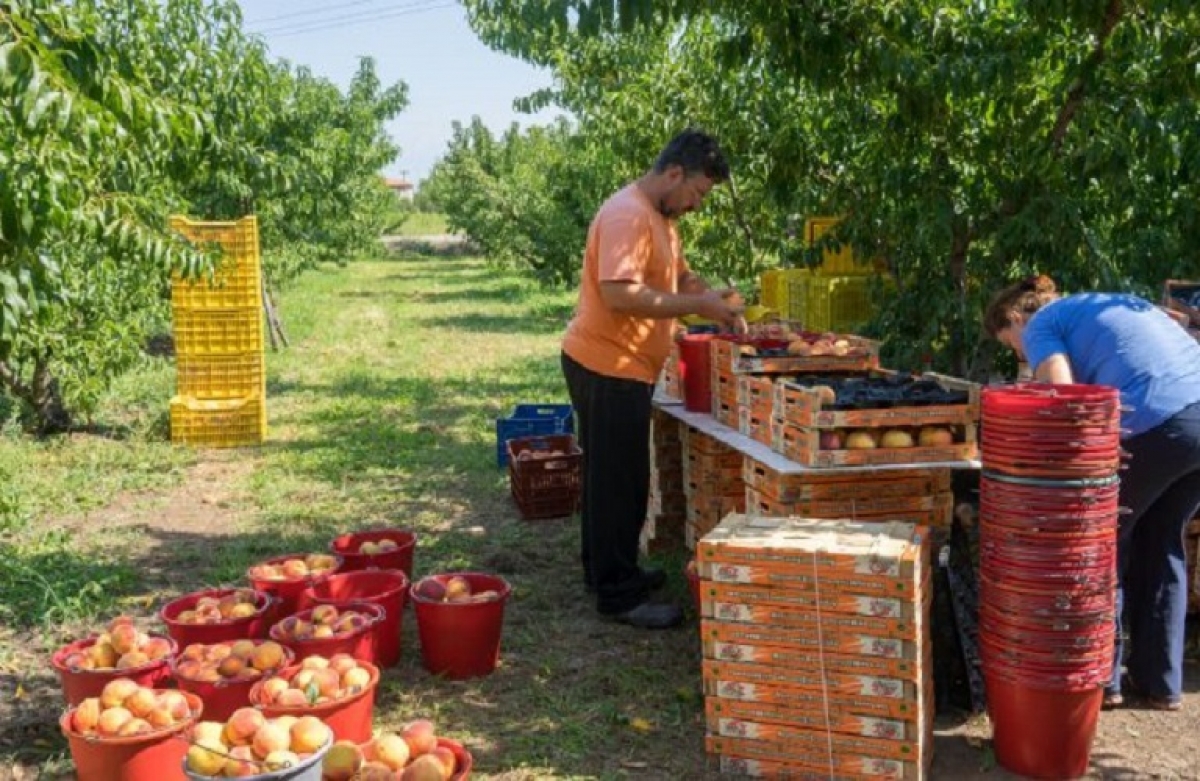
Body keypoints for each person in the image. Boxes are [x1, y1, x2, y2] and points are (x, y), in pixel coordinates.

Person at [984, 274, 1200, 710]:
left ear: (1014, 318)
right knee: (1162, 540)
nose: (1021, 355)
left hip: (1159, 422)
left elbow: (1067, 400)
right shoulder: (1105, 301)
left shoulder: (1043, 323)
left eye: (1012, 345)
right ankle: (1160, 684)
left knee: (1100, 541)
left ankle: (1102, 680)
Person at [560, 129, 745, 629]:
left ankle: (607, 572)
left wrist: (711, 298)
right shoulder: (628, 214)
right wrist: (695, 308)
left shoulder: (661, 218)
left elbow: (678, 278)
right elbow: (620, 293)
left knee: (610, 476)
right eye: (698, 193)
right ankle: (618, 596)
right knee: (619, 481)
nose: (697, 204)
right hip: (606, 364)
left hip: (621, 366)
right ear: (674, 174)